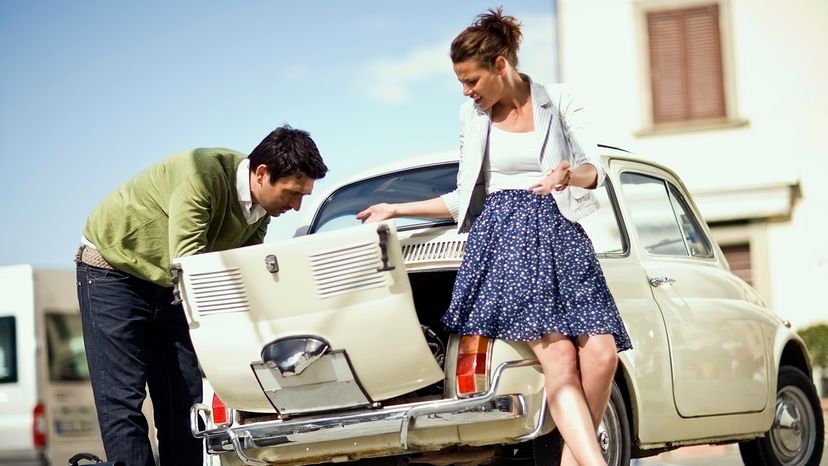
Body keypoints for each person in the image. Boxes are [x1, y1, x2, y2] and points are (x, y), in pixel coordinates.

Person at [357, 8, 631, 466]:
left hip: (563, 235)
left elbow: (594, 170)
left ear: (501, 64)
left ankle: (571, 458)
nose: (467, 92)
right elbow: (466, 195)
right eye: (461, 83)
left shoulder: (558, 101)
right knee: (560, 360)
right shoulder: (473, 116)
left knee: (602, 355)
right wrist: (397, 208)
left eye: (472, 80)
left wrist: (568, 175)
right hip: (507, 240)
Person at [75, 124, 328, 466]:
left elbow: (239, 273)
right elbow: (191, 264)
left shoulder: (260, 212)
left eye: (303, 196)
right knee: (123, 399)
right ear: (262, 173)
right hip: (112, 272)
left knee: (183, 401)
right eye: (291, 193)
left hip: (168, 282)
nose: (296, 206)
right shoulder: (202, 175)